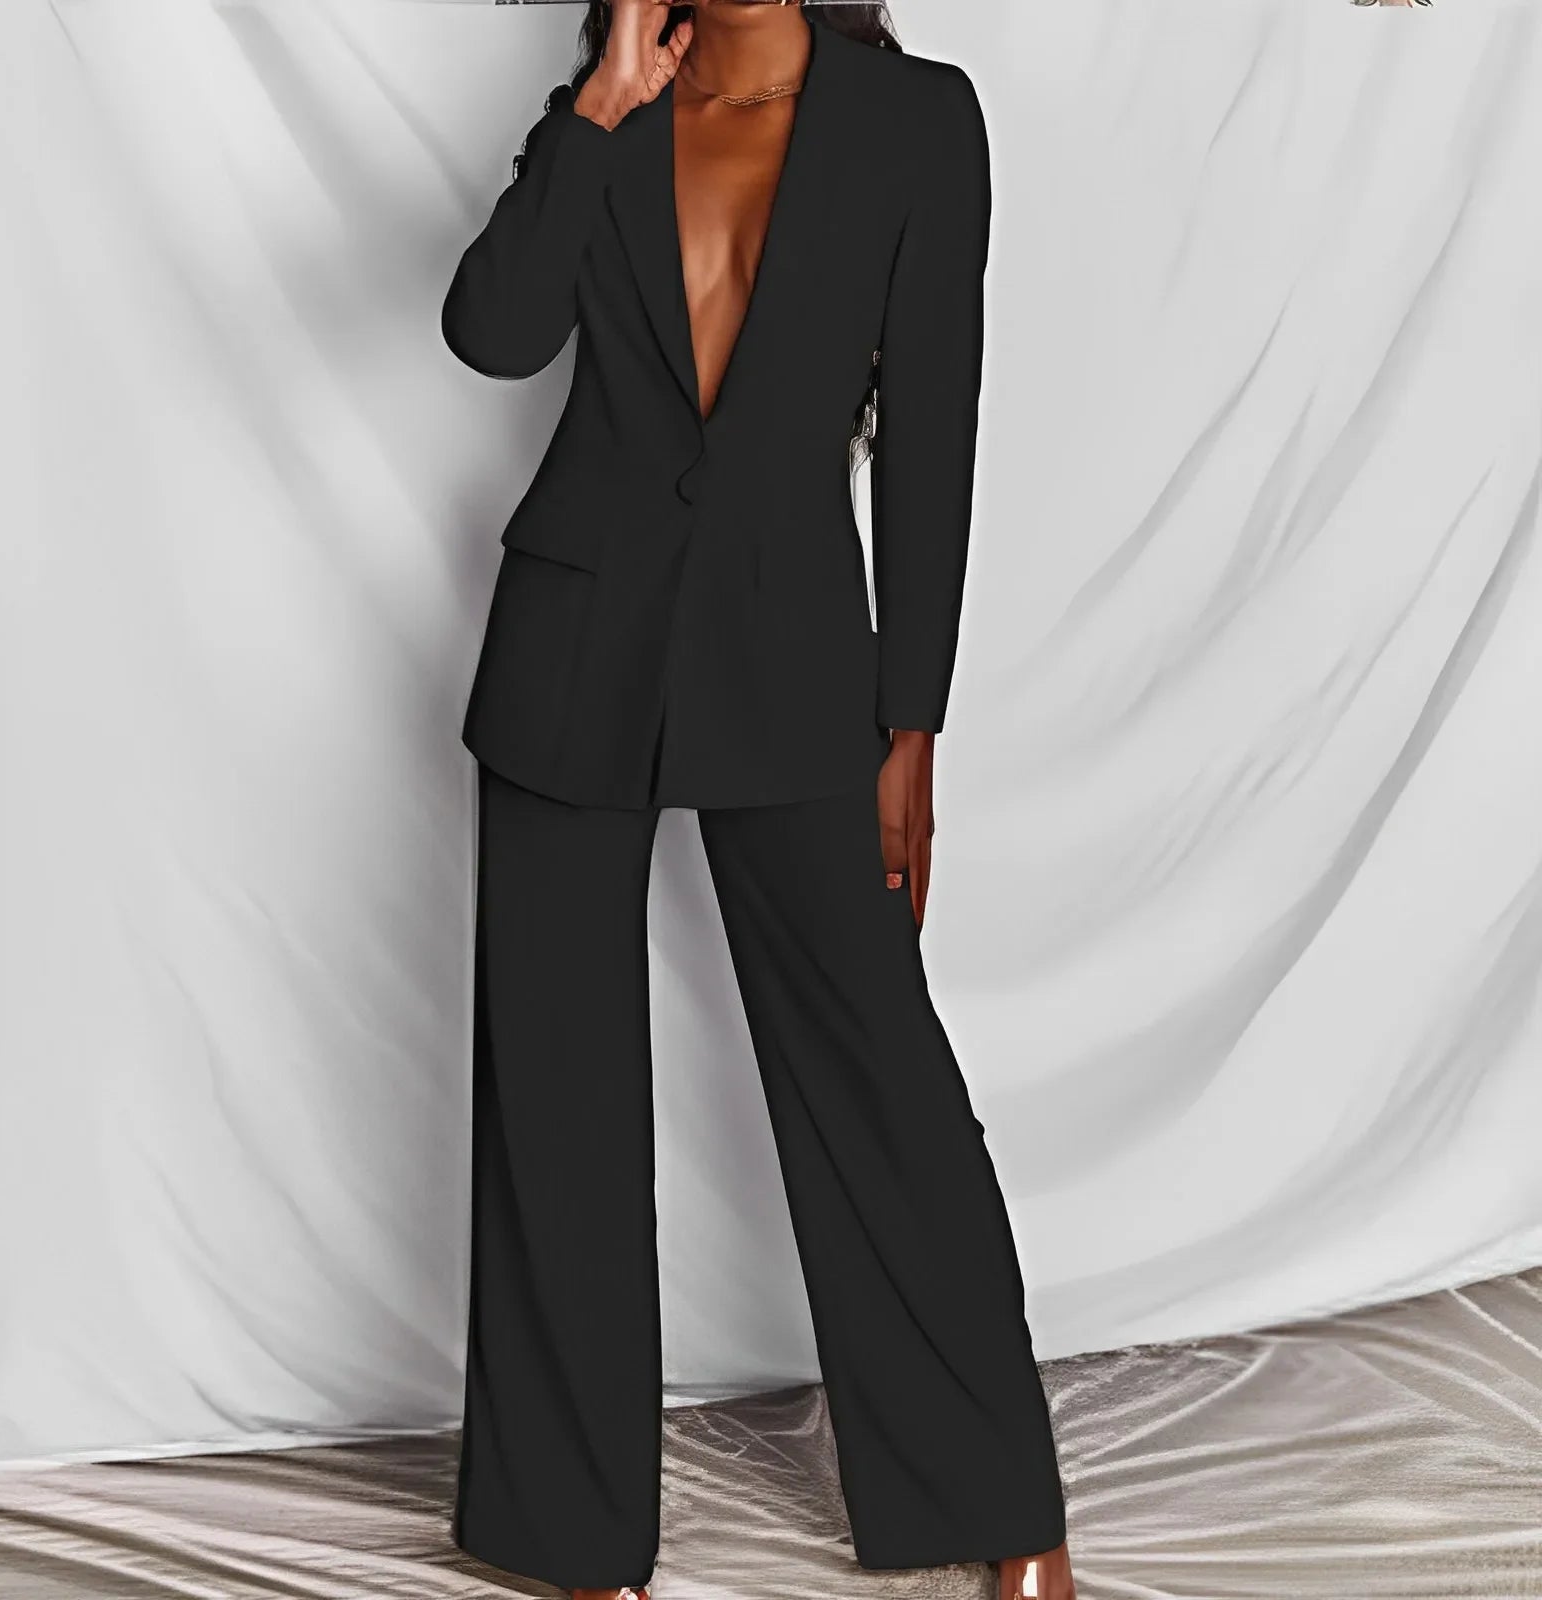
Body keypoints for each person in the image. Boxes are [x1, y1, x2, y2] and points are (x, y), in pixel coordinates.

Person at [440, 3, 1075, 1597]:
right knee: (559, 1103)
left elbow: (932, 430)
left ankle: (1000, 1506)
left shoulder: (916, 123)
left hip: (794, 659)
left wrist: (911, 724)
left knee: (880, 1079)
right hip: (575, 647)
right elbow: (494, 333)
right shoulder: (603, 115)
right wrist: (599, 110)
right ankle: (575, 1537)